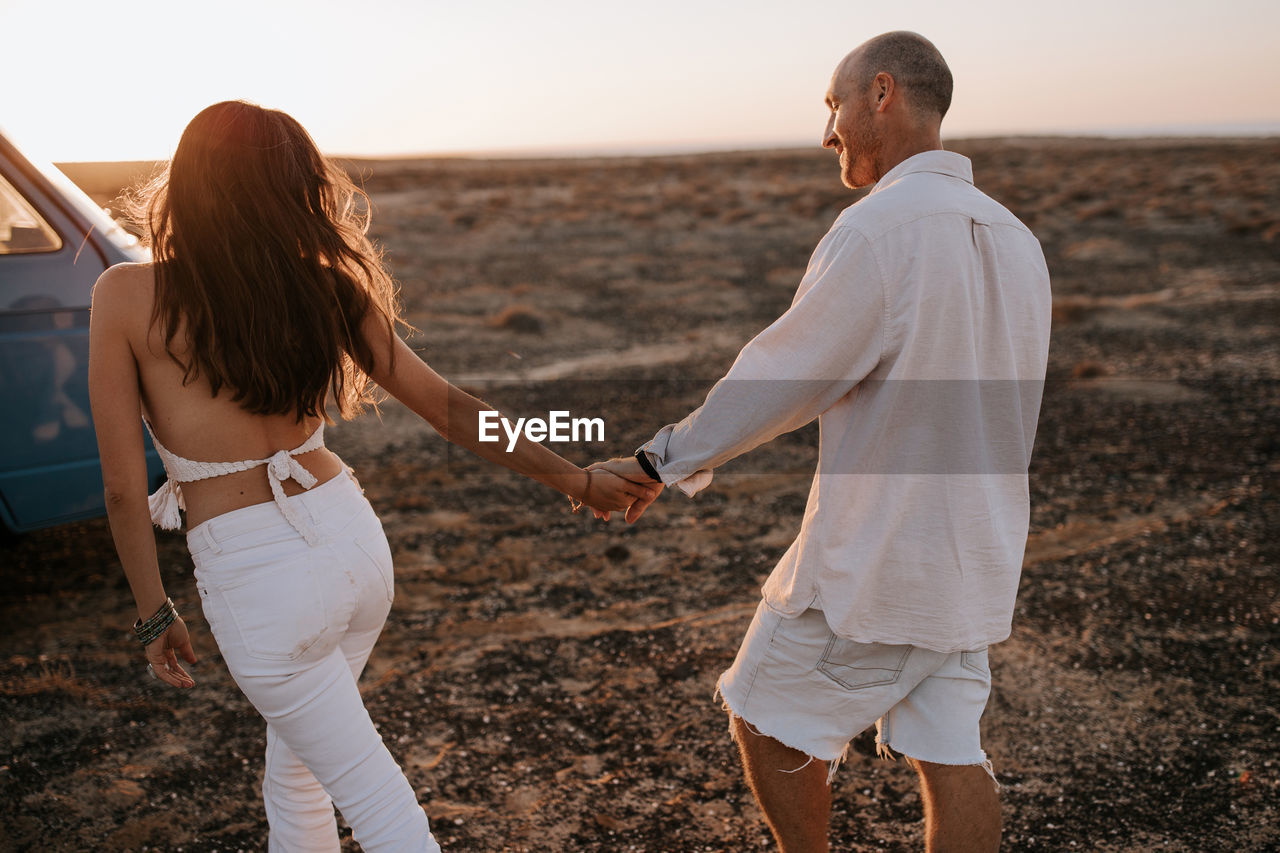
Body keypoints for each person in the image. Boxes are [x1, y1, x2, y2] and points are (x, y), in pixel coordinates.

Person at [88, 100, 656, 852]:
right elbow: (453, 409)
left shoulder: (125, 296)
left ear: (188, 183)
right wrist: (575, 479)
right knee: (295, 774)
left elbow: (127, 487)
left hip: (260, 577)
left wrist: (156, 612)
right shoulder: (324, 287)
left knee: (380, 806)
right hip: (354, 545)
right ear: (293, 188)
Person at [598, 32, 1051, 852]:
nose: (826, 132)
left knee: (763, 713)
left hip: (879, 559)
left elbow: (782, 377)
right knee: (952, 753)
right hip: (977, 555)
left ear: (882, 93)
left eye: (832, 104)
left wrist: (655, 461)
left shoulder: (877, 231)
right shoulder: (1018, 239)